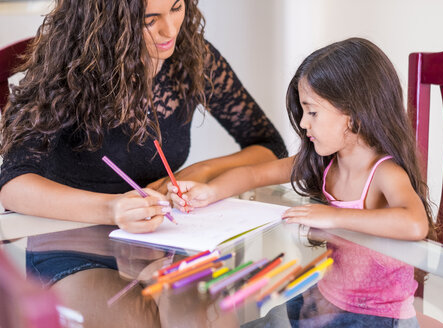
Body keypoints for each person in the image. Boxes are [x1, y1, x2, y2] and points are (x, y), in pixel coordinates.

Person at [169, 38, 439, 326]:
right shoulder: (323, 163)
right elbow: (255, 174)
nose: (303, 123)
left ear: (353, 114)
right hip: (328, 299)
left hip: (376, 316)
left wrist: (335, 216)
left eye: (312, 112)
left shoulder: (384, 173)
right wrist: (209, 191)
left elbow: (414, 224)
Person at [0, 0, 287, 233]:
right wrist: (112, 209)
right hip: (68, 230)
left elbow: (269, 147)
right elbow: (13, 184)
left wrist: (201, 172)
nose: (170, 30)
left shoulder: (192, 57)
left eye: (176, 8)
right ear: (108, 23)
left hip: (158, 233)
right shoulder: (67, 69)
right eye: (150, 20)